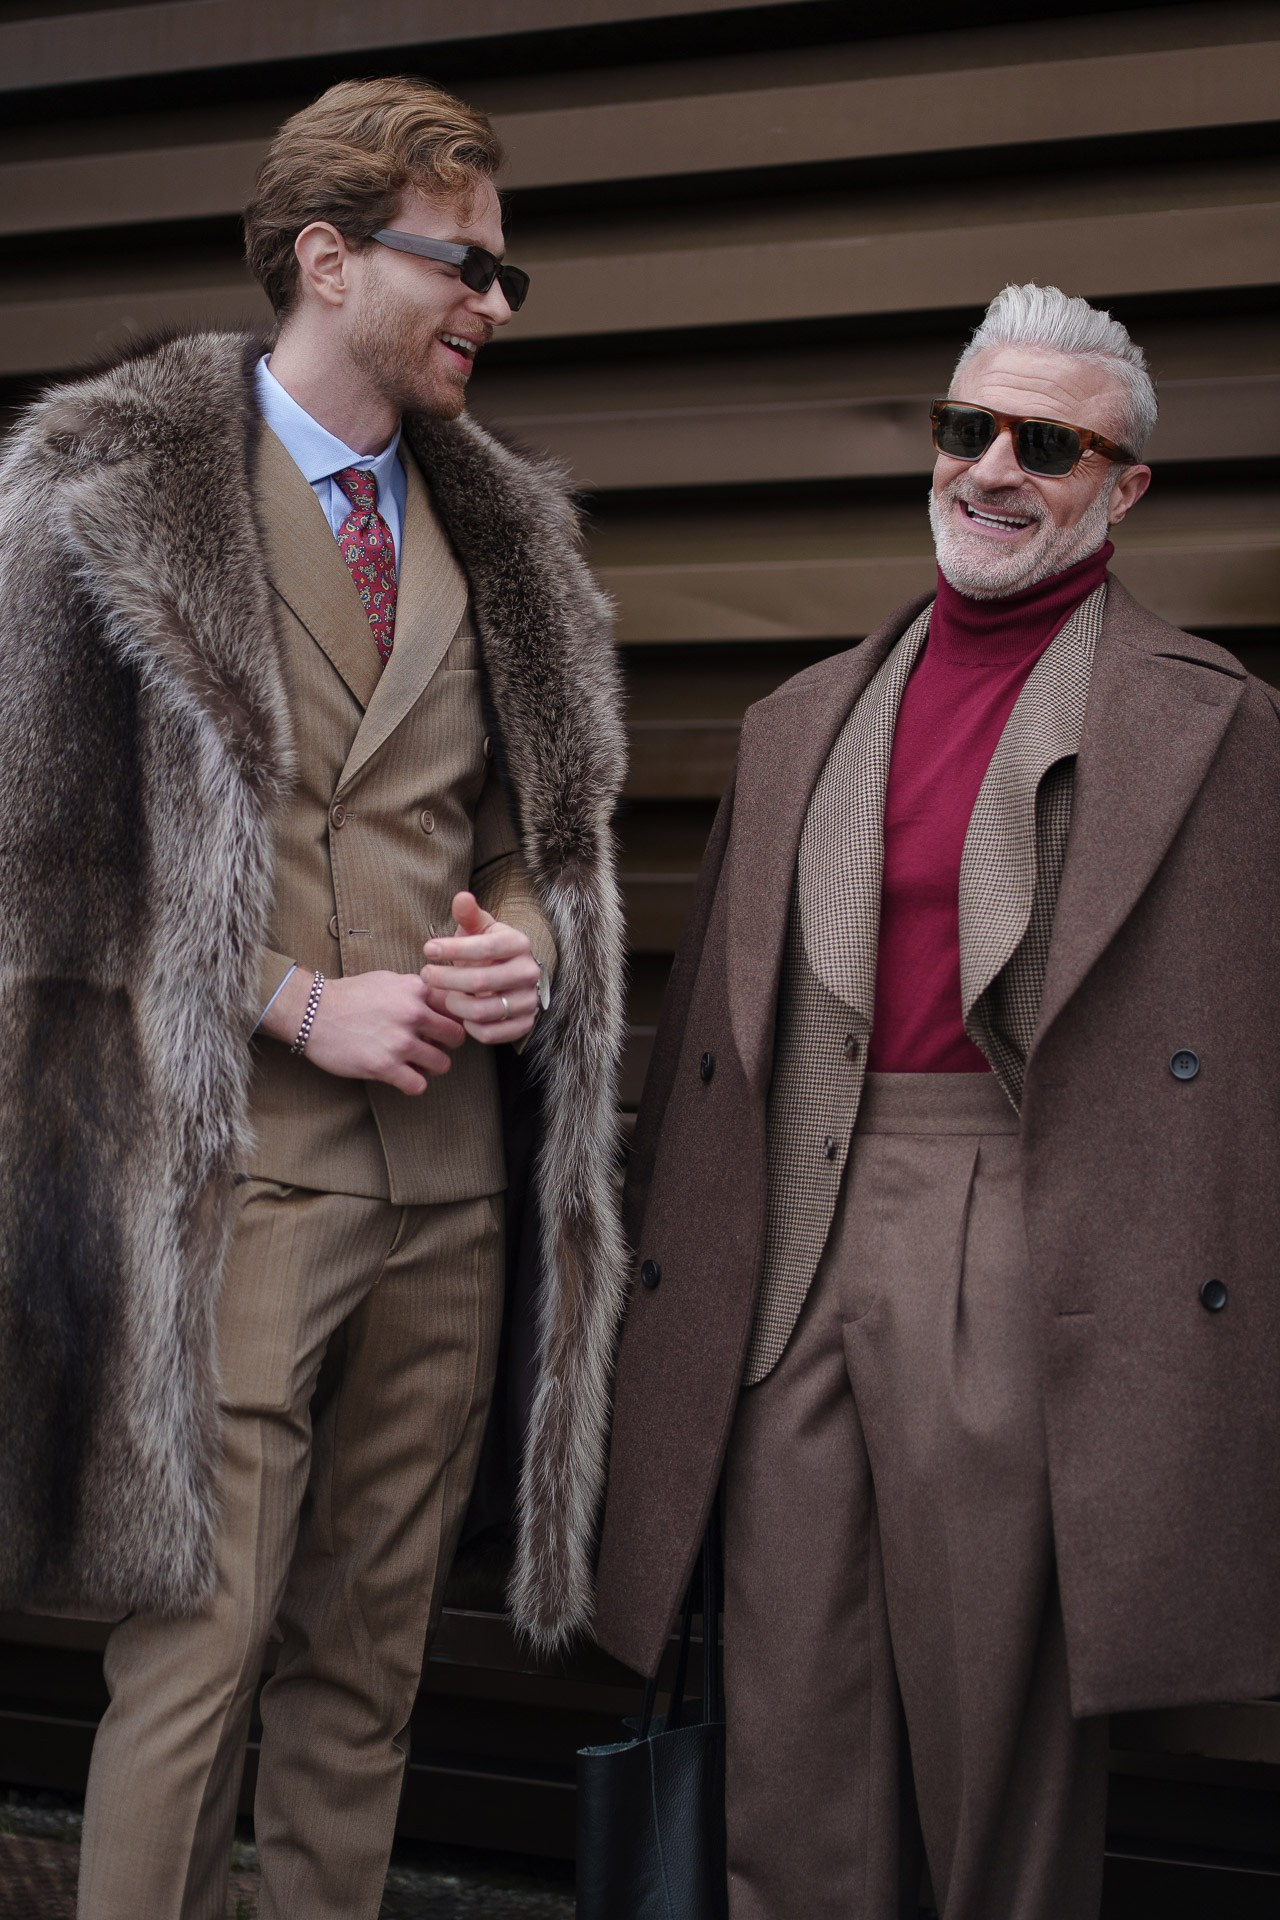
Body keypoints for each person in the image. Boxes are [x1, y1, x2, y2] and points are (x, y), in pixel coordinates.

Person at [0, 75, 627, 1920]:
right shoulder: (99, 501)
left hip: (450, 1194)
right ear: (330, 257)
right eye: (469, 267)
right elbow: (31, 877)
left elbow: (536, 835)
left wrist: (526, 938)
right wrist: (292, 999)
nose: (495, 308)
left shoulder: (505, 529)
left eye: (510, 278)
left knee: (367, 1674)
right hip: (228, 1178)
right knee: (192, 1663)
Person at [591, 283, 1280, 1918]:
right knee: (791, 1737)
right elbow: (714, 1036)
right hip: (796, 1227)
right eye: (964, 427)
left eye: (1046, 442)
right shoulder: (803, 716)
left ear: (1126, 488)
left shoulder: (1220, 728)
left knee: (999, 1766)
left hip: (1036, 1238)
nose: (991, 467)